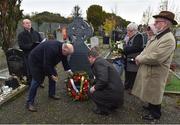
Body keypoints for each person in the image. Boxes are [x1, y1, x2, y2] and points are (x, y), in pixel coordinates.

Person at [132, 11, 177, 120]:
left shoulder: (169, 39)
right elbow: (147, 49)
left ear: (165, 23)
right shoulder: (159, 36)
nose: (155, 24)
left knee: (155, 91)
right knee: (150, 90)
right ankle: (151, 106)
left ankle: (155, 114)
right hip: (150, 69)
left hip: (157, 71)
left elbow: (157, 57)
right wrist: (140, 56)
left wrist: (140, 59)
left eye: (157, 22)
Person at [26, 41, 74, 112]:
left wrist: (69, 71)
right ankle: (29, 102)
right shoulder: (52, 49)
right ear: (64, 49)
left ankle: (51, 94)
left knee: (54, 76)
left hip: (47, 62)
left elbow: (64, 60)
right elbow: (46, 64)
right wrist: (51, 75)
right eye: (68, 54)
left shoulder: (62, 48)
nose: (68, 55)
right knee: (37, 81)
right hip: (36, 61)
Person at [88, 48, 124, 115]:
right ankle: (112, 105)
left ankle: (104, 110)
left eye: (88, 59)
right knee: (95, 88)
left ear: (91, 57)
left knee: (92, 92)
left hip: (114, 93)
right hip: (116, 92)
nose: (88, 61)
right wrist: (93, 82)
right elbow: (101, 77)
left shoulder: (98, 63)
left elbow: (103, 80)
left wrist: (94, 88)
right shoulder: (101, 61)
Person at [18, 19, 42, 86]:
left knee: (38, 69)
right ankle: (31, 83)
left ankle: (39, 82)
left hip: (37, 55)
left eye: (29, 23)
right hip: (28, 55)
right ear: (23, 25)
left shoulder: (36, 33)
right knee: (30, 70)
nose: (29, 24)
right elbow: (21, 46)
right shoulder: (21, 35)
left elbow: (41, 41)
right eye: (27, 23)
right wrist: (32, 45)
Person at [123, 22, 144, 92]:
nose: (128, 32)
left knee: (133, 74)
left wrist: (125, 49)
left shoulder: (138, 36)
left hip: (134, 60)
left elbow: (136, 47)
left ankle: (132, 89)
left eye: (129, 31)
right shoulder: (129, 37)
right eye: (127, 30)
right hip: (128, 60)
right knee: (128, 73)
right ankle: (127, 86)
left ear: (134, 31)